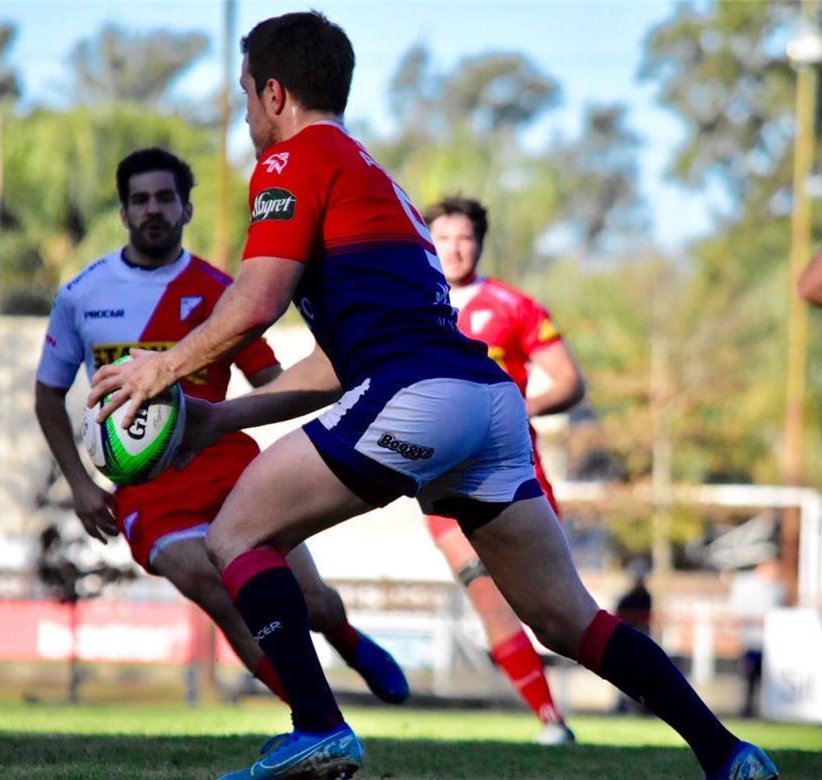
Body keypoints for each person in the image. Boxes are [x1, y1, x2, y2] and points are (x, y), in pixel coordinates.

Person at [88, 12, 778, 780]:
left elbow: (256, 301)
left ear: (275, 93)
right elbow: (336, 361)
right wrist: (224, 415)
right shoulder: (375, 176)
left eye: (245, 95)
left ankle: (317, 726)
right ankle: (730, 754)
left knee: (237, 537)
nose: (244, 113)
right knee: (566, 617)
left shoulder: (292, 161)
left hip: (419, 393)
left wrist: (160, 370)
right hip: (485, 401)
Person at [34, 147, 407, 705]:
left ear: (186, 209)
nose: (152, 209)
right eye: (140, 200)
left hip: (230, 469)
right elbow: (47, 394)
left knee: (312, 603)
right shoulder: (82, 295)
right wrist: (80, 483)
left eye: (165, 198)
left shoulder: (224, 295)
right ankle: (318, 718)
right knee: (218, 588)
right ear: (123, 213)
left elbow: (272, 382)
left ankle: (346, 639)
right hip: (147, 489)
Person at [420, 194, 585, 745]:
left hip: (515, 468)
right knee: (485, 594)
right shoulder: (414, 303)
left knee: (551, 611)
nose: (454, 248)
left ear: (480, 243)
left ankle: (647, 691)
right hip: (441, 478)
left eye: (464, 237)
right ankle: (550, 720)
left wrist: (525, 405)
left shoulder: (513, 306)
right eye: (442, 237)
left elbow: (568, 380)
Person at [729, 559, 785, 718]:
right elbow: (738, 614)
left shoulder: (776, 588)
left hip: (769, 642)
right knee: (749, 676)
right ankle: (747, 708)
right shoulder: (745, 586)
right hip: (752, 640)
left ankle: (762, 710)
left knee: (765, 678)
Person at [614, 559, 653, 714]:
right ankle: (627, 706)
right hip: (627, 640)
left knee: (635, 677)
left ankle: (638, 707)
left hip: (634, 641)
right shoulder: (634, 596)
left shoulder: (641, 596)